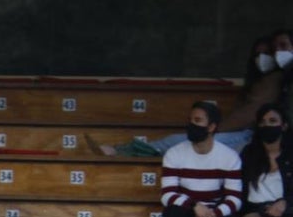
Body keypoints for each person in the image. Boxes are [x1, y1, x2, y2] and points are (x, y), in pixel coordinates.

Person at [100, 32, 286, 157]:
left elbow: (248, 114)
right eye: (258, 54)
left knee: (177, 141)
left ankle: (127, 150)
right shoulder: (262, 80)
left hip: (247, 135)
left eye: (268, 53)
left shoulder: (274, 80)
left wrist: (214, 130)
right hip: (240, 133)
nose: (262, 59)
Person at [158, 101, 245, 217]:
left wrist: (213, 214)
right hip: (186, 211)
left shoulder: (229, 156)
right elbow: (167, 195)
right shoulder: (174, 153)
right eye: (190, 119)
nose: (191, 124)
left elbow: (234, 199)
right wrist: (195, 206)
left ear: (211, 126)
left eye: (197, 120)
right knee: (170, 215)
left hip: (213, 215)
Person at [229, 104, 293, 217]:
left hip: (287, 212)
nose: (267, 126)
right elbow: (240, 191)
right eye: (263, 122)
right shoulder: (249, 153)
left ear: (284, 125)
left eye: (273, 121)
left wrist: (285, 203)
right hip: (255, 211)